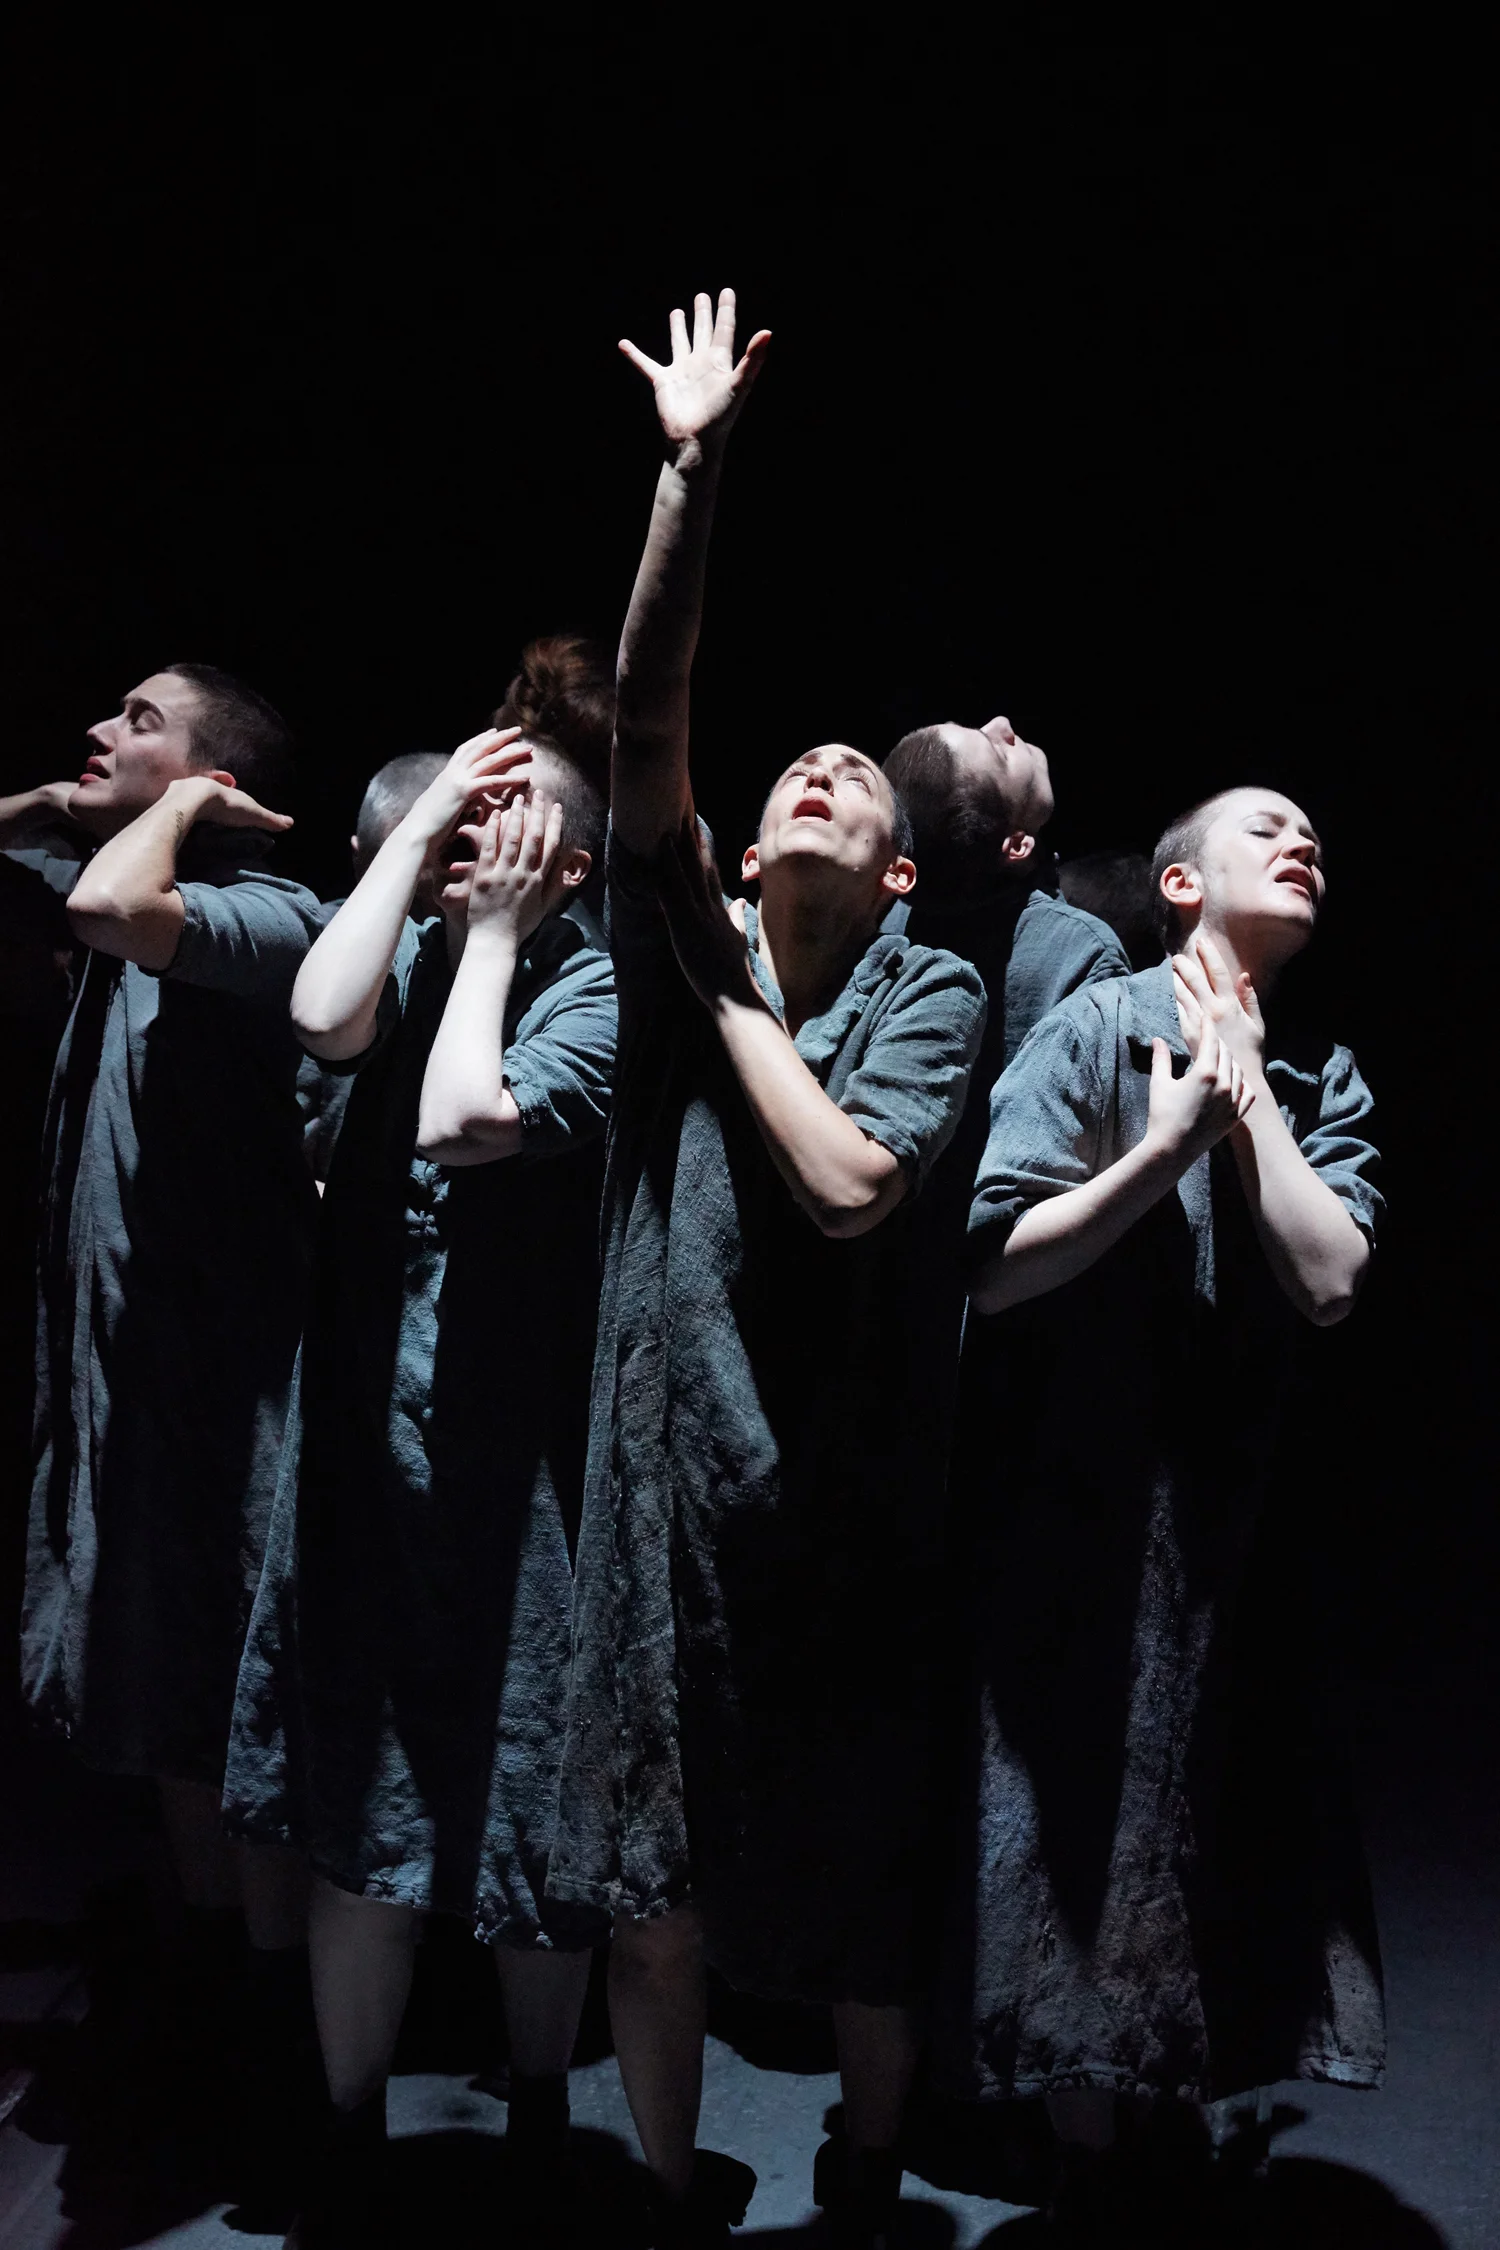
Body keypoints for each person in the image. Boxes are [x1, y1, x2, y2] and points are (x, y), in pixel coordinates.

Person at [545, 290, 987, 2250]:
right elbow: (646, 708)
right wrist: (688, 468)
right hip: (664, 1500)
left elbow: (844, 1185)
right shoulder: (677, 912)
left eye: (852, 775)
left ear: (892, 861)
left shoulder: (931, 980)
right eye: (789, 764)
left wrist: (720, 992)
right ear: (733, 850)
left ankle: (870, 2180)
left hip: (843, 1504)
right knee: (655, 1896)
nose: (813, 771)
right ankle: (659, 2200)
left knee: (863, 1902)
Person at [935, 786, 1385, 2229]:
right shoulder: (1091, 1026)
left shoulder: (1318, 1069)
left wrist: (1243, 1100)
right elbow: (998, 1259)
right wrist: (1163, 1147)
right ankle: (1085, 2165)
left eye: (1314, 827)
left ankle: (1160, 2147)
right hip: (1085, 1524)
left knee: (1217, 1829)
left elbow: (1327, 1277)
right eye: (1266, 826)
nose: (1304, 837)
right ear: (1181, 888)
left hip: (1241, 1536)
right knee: (1082, 1841)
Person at [223, 657, 619, 2248]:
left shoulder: (594, 976)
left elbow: (467, 1118)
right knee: (362, 1799)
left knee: (529, 1798)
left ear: (568, 864)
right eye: (470, 816)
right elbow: (324, 1014)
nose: (479, 837)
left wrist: (502, 940)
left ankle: (538, 2112)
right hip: (367, 1445)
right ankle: (348, 2123)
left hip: (531, 1456)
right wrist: (422, 836)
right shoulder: (388, 948)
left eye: (510, 819)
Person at [0, 666, 325, 2183]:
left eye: (137, 720)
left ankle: (275, 2033)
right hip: (126, 1408)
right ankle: (208, 1983)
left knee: (231, 1719)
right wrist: (77, 801)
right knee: (158, 1714)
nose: (98, 736)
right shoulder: (117, 861)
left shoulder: (268, 913)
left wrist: (183, 808)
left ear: (215, 780)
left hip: (229, 1409)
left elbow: (109, 915)